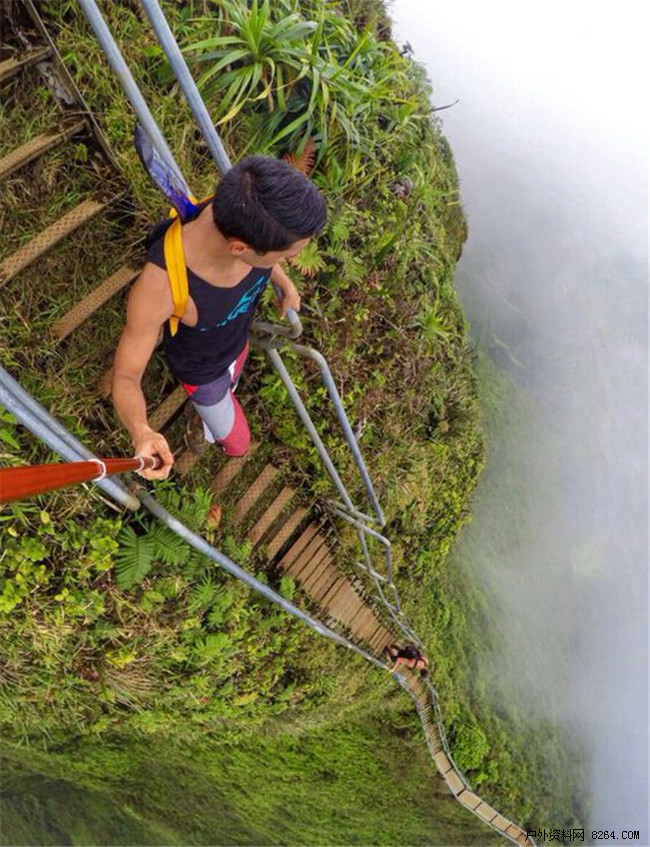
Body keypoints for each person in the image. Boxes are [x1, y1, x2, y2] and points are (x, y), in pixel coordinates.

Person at [112, 155, 327, 480]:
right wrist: (142, 431)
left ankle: (213, 407)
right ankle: (201, 420)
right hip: (204, 373)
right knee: (239, 444)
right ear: (239, 249)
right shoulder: (163, 287)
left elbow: (266, 254)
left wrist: (284, 283)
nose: (292, 259)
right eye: (289, 255)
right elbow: (126, 376)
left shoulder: (240, 210)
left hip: (237, 343)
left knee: (235, 378)